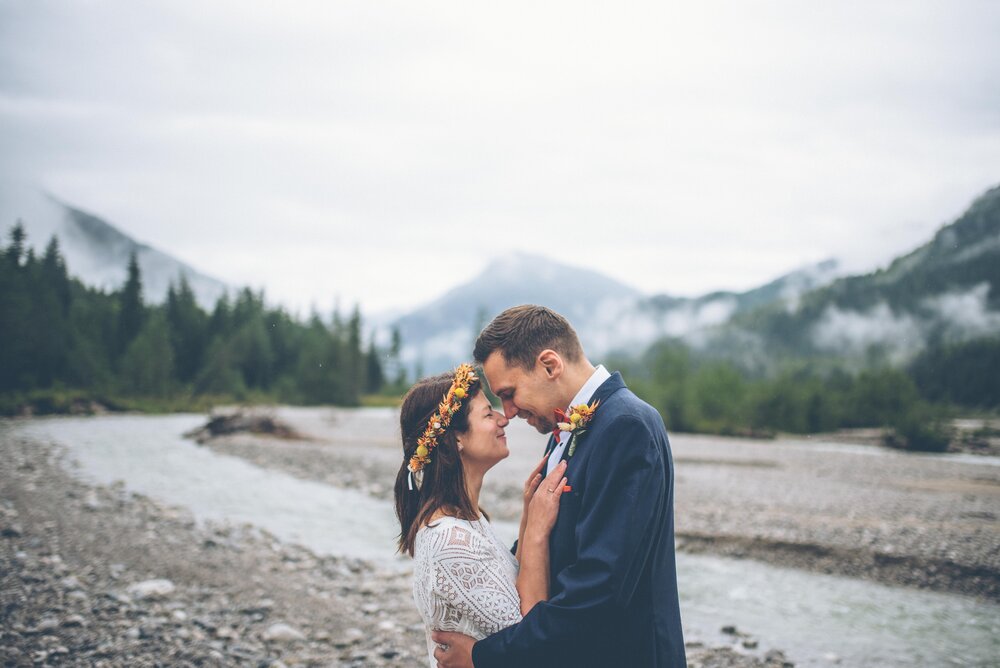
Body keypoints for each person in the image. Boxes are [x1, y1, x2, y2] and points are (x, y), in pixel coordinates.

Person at [432, 305, 686, 667]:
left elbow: (601, 587)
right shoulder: (567, 430)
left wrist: (486, 657)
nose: (509, 412)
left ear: (550, 365)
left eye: (509, 392)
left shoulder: (627, 425)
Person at [394, 363, 569, 668]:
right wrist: (538, 533)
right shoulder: (449, 540)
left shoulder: (467, 522)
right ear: (456, 438)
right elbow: (530, 642)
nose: (504, 419)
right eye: (488, 414)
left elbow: (513, 589)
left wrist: (528, 516)